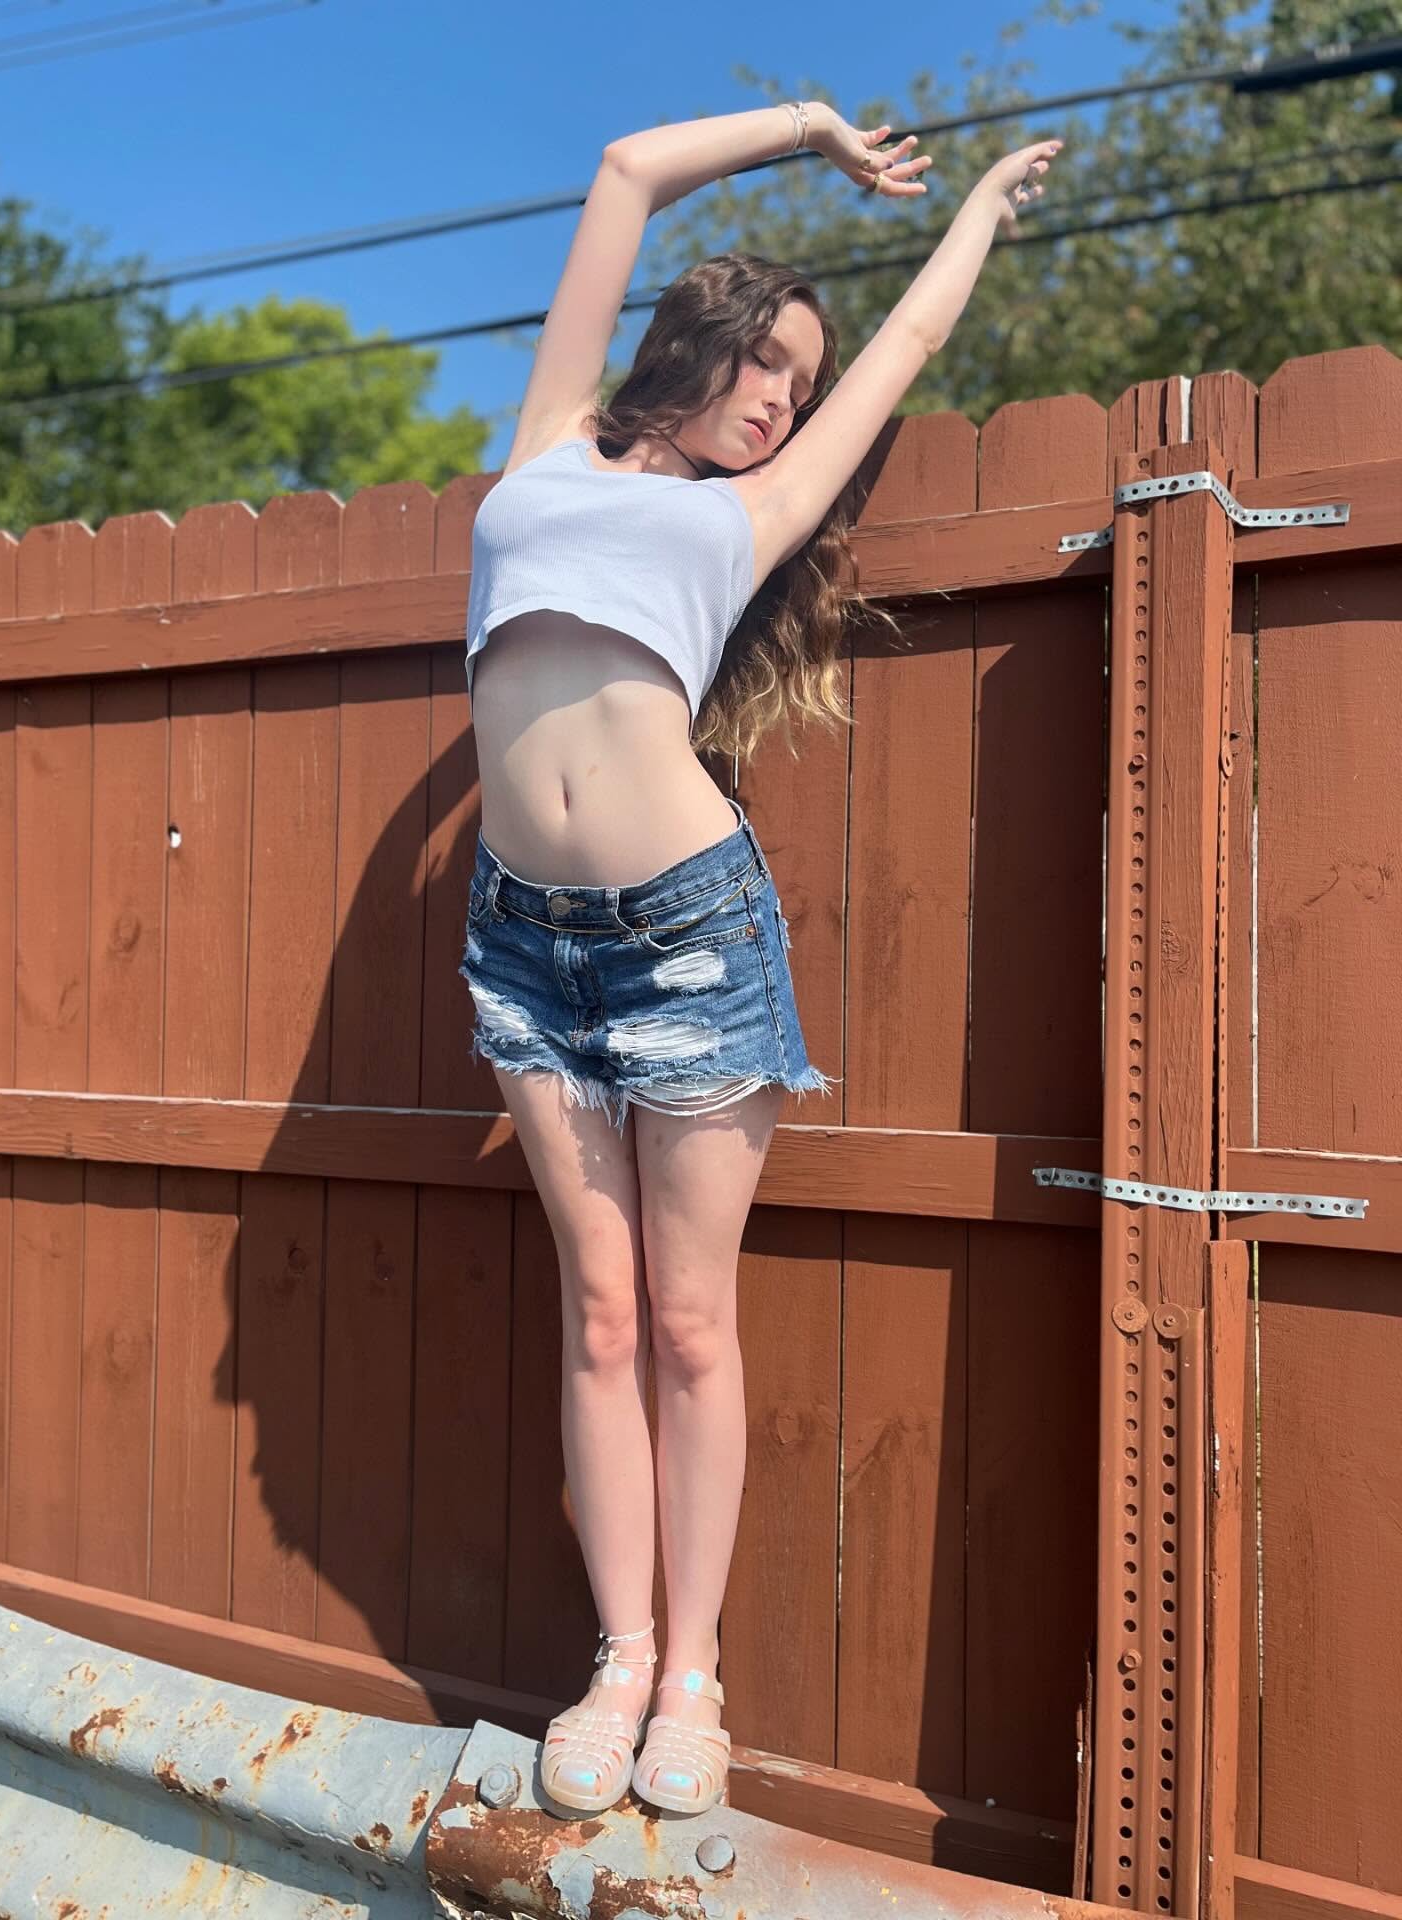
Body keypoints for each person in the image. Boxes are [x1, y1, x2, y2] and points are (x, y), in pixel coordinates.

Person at [458, 99, 1063, 1817]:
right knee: (597, 1317)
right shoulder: (551, 443)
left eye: (804, 379)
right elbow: (627, 173)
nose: (786, 398)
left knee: (688, 1319)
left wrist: (974, 211)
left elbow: (914, 342)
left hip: (687, 936)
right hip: (521, 941)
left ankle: (694, 1680)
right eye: (768, 362)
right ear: (697, 342)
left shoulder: (758, 509)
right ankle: (618, 1660)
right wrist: (813, 132)